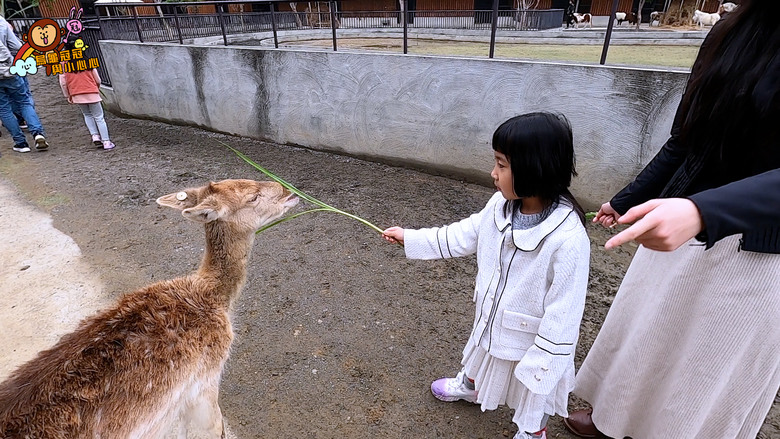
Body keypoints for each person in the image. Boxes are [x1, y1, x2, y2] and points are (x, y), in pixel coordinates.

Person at [563, 2, 780, 438]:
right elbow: (686, 138)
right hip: (682, 219)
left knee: (707, 362)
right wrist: (628, 199)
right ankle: (614, 419)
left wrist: (705, 211)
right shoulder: (733, 29)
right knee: (649, 330)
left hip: (760, 247)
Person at [382, 112, 591, 439]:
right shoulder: (500, 206)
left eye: (502, 165)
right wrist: (412, 237)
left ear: (535, 167)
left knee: (532, 391)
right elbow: (462, 235)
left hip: (533, 340)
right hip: (492, 317)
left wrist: (545, 359)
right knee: (480, 350)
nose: (493, 174)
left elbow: (565, 312)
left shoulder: (568, 239)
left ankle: (533, 432)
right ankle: (472, 386)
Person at [58, 39, 115, 150]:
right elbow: (97, 79)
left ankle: (95, 136)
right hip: (91, 91)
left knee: (87, 115)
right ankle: (106, 141)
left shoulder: (64, 64)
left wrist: (68, 95)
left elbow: (63, 82)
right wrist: (96, 88)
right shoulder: (88, 61)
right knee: (99, 117)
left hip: (76, 93)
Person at [0, 37, 48, 153]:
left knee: (4, 109)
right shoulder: (2, 23)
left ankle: (21, 143)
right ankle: (37, 133)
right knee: (24, 102)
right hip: (10, 72)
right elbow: (14, 48)